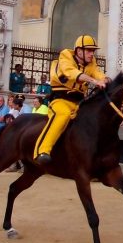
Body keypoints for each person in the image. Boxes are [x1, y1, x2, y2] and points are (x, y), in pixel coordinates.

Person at [33, 35, 108, 164]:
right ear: (79, 51)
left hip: (79, 102)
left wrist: (106, 80)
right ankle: (41, 151)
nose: (92, 54)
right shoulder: (66, 56)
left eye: (93, 51)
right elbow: (70, 72)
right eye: (89, 50)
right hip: (60, 100)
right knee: (63, 115)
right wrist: (94, 81)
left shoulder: (92, 62)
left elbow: (98, 73)